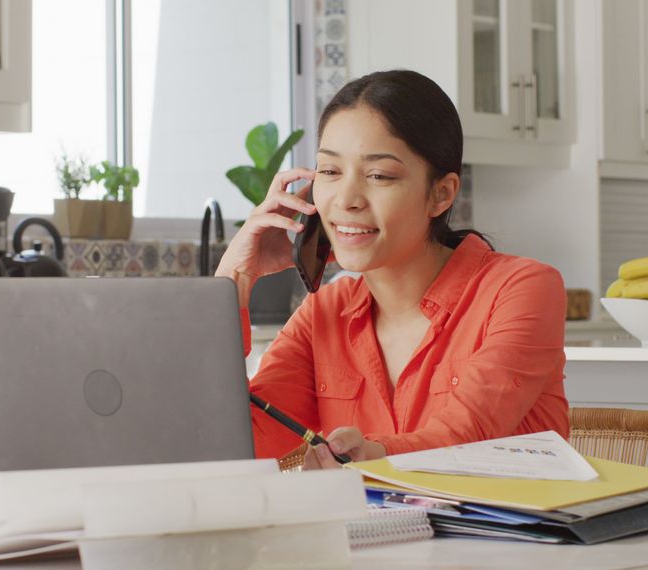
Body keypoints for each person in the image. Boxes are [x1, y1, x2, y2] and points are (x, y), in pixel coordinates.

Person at [214, 70, 570, 469]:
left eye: (379, 175)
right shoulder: (322, 316)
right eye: (330, 171)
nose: (346, 199)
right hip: (378, 533)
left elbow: (468, 438)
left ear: (441, 193)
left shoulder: (523, 288)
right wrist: (234, 281)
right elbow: (230, 447)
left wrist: (377, 456)